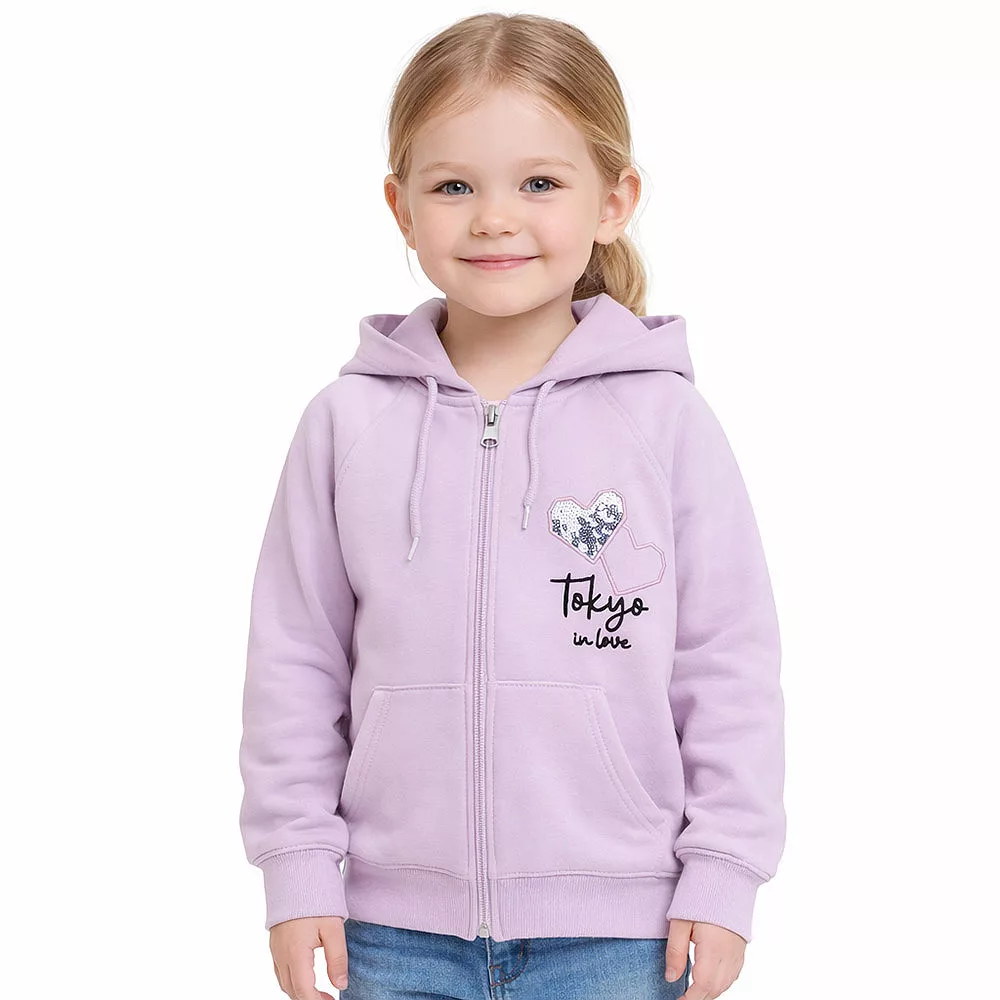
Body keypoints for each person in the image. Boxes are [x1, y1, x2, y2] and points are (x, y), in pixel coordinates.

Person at [238, 12, 785, 1000]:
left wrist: (723, 870)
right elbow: (295, 664)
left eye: (538, 183)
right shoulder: (346, 423)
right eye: (454, 186)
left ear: (614, 200)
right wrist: (297, 865)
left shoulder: (663, 420)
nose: (494, 218)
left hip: (619, 935)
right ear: (401, 207)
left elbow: (727, 663)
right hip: (388, 932)